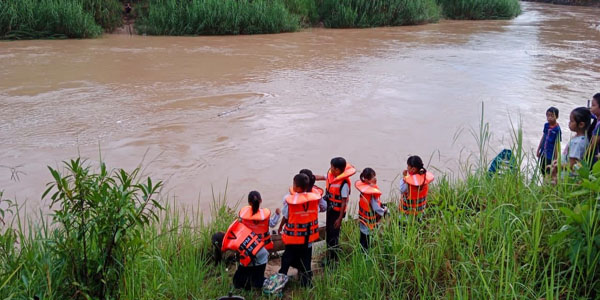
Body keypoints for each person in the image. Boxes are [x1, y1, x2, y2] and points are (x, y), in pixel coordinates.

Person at [277, 173, 326, 287]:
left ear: (297, 187)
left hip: (293, 239)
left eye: (294, 183)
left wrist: (280, 227)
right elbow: (319, 210)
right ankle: (306, 283)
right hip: (308, 239)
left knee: (286, 259)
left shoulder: (290, 202)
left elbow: (285, 215)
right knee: (306, 261)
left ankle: (281, 281)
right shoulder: (314, 201)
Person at [315, 157, 356, 264]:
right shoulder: (332, 176)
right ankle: (330, 256)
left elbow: (343, 202)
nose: (330, 169)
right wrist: (311, 177)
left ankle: (333, 259)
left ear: (337, 170)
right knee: (329, 232)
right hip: (330, 209)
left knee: (334, 236)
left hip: (337, 213)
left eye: (332, 167)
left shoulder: (344, 184)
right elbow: (322, 177)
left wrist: (339, 219)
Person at [219, 220, 269, 290]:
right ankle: (260, 281)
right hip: (263, 253)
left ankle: (261, 284)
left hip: (257, 260)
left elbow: (242, 257)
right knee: (255, 277)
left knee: (239, 282)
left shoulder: (230, 244)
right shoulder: (236, 233)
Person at [551, 107, 591, 182]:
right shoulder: (581, 138)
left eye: (572, 121)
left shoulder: (577, 143)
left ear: (581, 124)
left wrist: (558, 166)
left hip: (567, 177)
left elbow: (572, 165)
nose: (569, 123)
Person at [355, 168, 387, 251]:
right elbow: (376, 207)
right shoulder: (371, 193)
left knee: (362, 240)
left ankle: (362, 255)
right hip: (369, 223)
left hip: (363, 220)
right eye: (373, 177)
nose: (375, 179)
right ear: (367, 180)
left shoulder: (364, 189)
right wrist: (384, 211)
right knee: (367, 243)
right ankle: (366, 258)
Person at [536, 107, 562, 175]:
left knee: (549, 172)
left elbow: (557, 144)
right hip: (543, 153)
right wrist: (538, 149)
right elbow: (543, 137)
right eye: (548, 115)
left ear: (557, 116)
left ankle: (547, 183)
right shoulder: (546, 125)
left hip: (551, 155)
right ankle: (544, 183)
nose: (549, 117)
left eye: (552, 116)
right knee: (542, 169)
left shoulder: (557, 129)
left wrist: (556, 159)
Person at [586, 93, 600, 165]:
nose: (591, 107)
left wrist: (584, 156)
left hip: (596, 156)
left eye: (593, 105)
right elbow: (591, 114)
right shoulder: (597, 119)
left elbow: (593, 145)